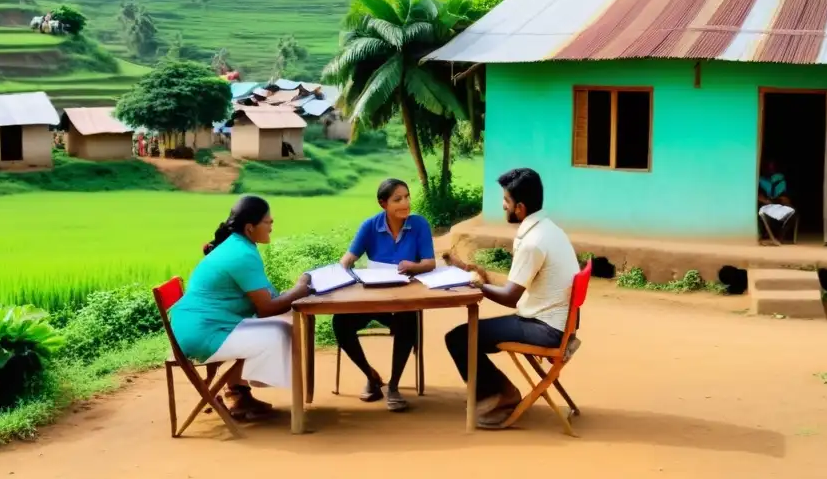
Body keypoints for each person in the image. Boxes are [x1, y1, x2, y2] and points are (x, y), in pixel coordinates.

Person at [444, 168, 579, 429]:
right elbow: (515, 285)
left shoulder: (533, 242)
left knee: (459, 338)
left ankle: (500, 396)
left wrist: (474, 285)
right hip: (556, 323)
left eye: (506, 200)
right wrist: (478, 275)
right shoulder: (549, 229)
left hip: (544, 329)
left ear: (520, 207)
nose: (502, 205)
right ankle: (495, 392)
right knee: (467, 336)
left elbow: (510, 297)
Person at [169, 195, 312, 422]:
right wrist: (300, 288)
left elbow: (266, 296)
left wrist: (293, 292)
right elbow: (266, 308)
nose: (272, 225)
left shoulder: (240, 245)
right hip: (203, 333)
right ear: (250, 227)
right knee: (278, 332)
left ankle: (238, 394)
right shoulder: (241, 253)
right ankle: (229, 391)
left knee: (278, 326)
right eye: (268, 222)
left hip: (199, 325)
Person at [336, 178, 436, 412]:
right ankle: (371, 376)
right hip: (373, 300)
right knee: (340, 322)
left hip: (404, 299)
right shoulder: (370, 226)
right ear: (383, 204)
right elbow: (347, 260)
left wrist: (413, 266)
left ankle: (394, 386)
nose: (405, 203)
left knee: (408, 321)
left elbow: (430, 262)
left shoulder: (419, 224)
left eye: (407, 197)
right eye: (398, 199)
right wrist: (345, 270)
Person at [758, 159, 795, 241]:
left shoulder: (782, 179)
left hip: (780, 202)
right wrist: (764, 200)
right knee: (762, 212)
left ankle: (781, 235)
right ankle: (765, 234)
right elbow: (758, 195)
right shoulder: (760, 180)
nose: (771, 169)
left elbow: (787, 196)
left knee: (791, 212)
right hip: (766, 203)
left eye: (773, 167)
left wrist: (784, 199)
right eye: (769, 167)